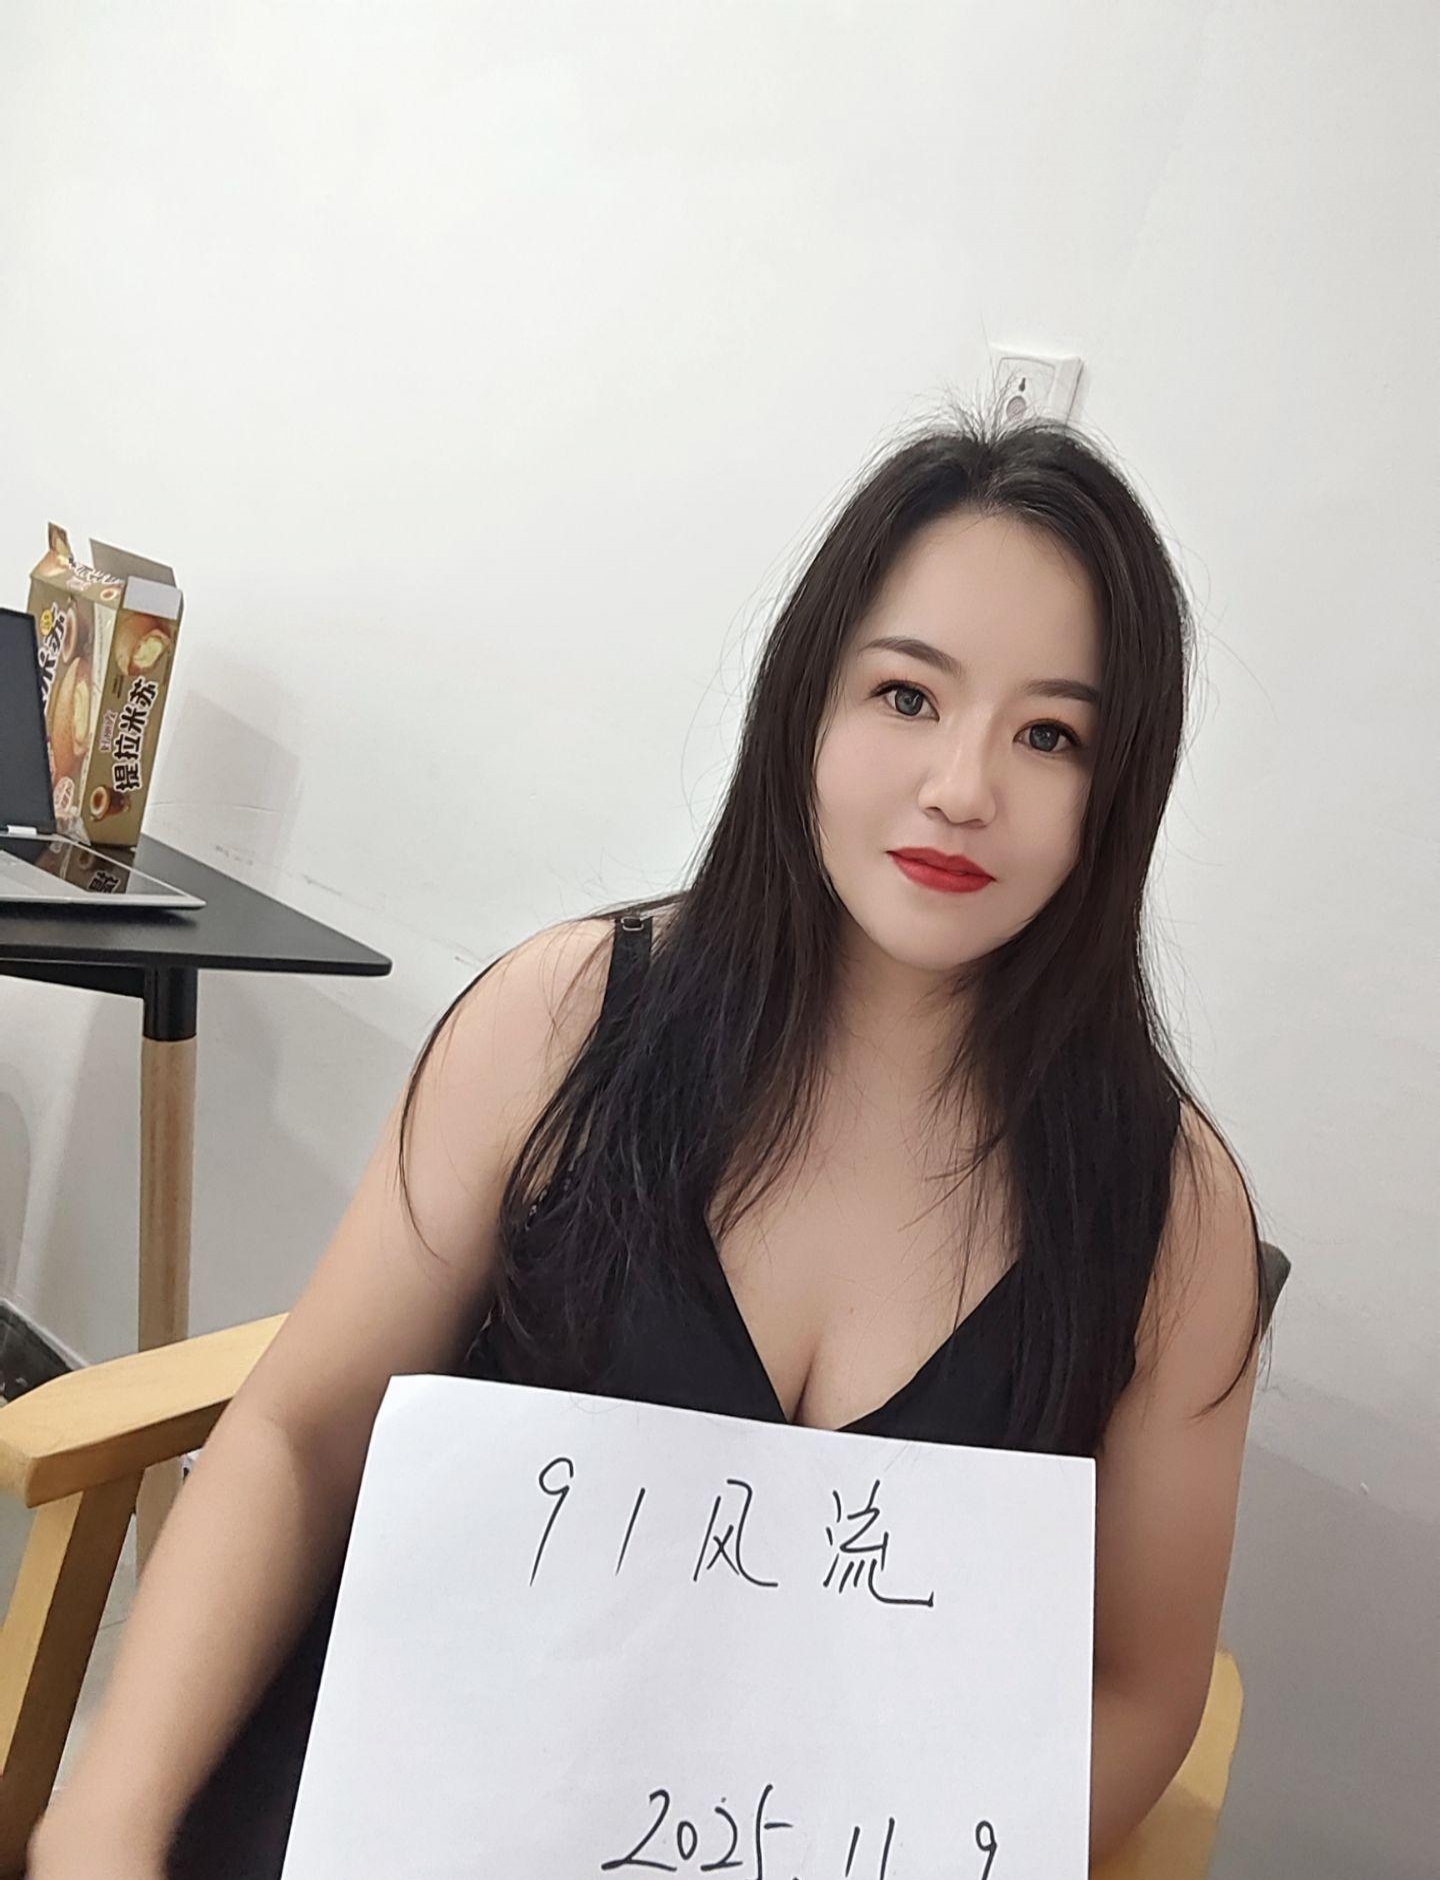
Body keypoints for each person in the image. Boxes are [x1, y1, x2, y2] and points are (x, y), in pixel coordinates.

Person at [30, 407, 1277, 1877]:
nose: (962, 788)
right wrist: (105, 1819)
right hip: (395, 1808)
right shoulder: (563, 1020)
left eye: (1050, 734)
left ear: (1117, 794)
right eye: (907, 696)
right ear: (808, 706)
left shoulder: (1172, 1213)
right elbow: (298, 1438)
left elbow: (1140, 1684)